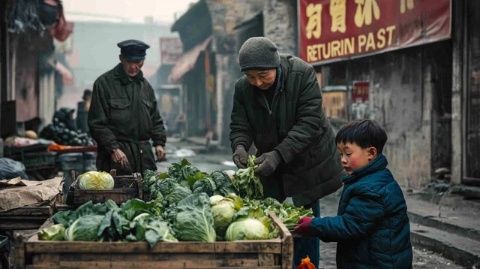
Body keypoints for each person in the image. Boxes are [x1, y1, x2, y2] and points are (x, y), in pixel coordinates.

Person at [229, 36, 344, 267]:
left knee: (304, 221)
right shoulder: (243, 88)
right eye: (251, 77)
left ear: (276, 65)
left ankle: (306, 265)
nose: (258, 83)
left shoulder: (302, 74)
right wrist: (240, 147)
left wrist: (278, 154)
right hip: (271, 162)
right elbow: (240, 125)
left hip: (308, 159)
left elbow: (309, 123)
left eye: (263, 76)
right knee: (269, 219)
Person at [293, 120, 413, 269]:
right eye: (341, 154)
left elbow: (349, 225)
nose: (343, 160)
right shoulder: (371, 179)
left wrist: (313, 225)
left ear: (371, 153)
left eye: (348, 153)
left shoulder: (372, 189)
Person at [88, 39, 166, 175]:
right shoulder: (104, 84)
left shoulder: (146, 87)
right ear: (121, 59)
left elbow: (155, 119)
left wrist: (159, 143)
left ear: (143, 61)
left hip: (144, 156)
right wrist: (113, 148)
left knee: (147, 194)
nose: (134, 67)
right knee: (118, 194)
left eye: (138, 62)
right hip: (117, 157)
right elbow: (97, 124)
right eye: (130, 62)